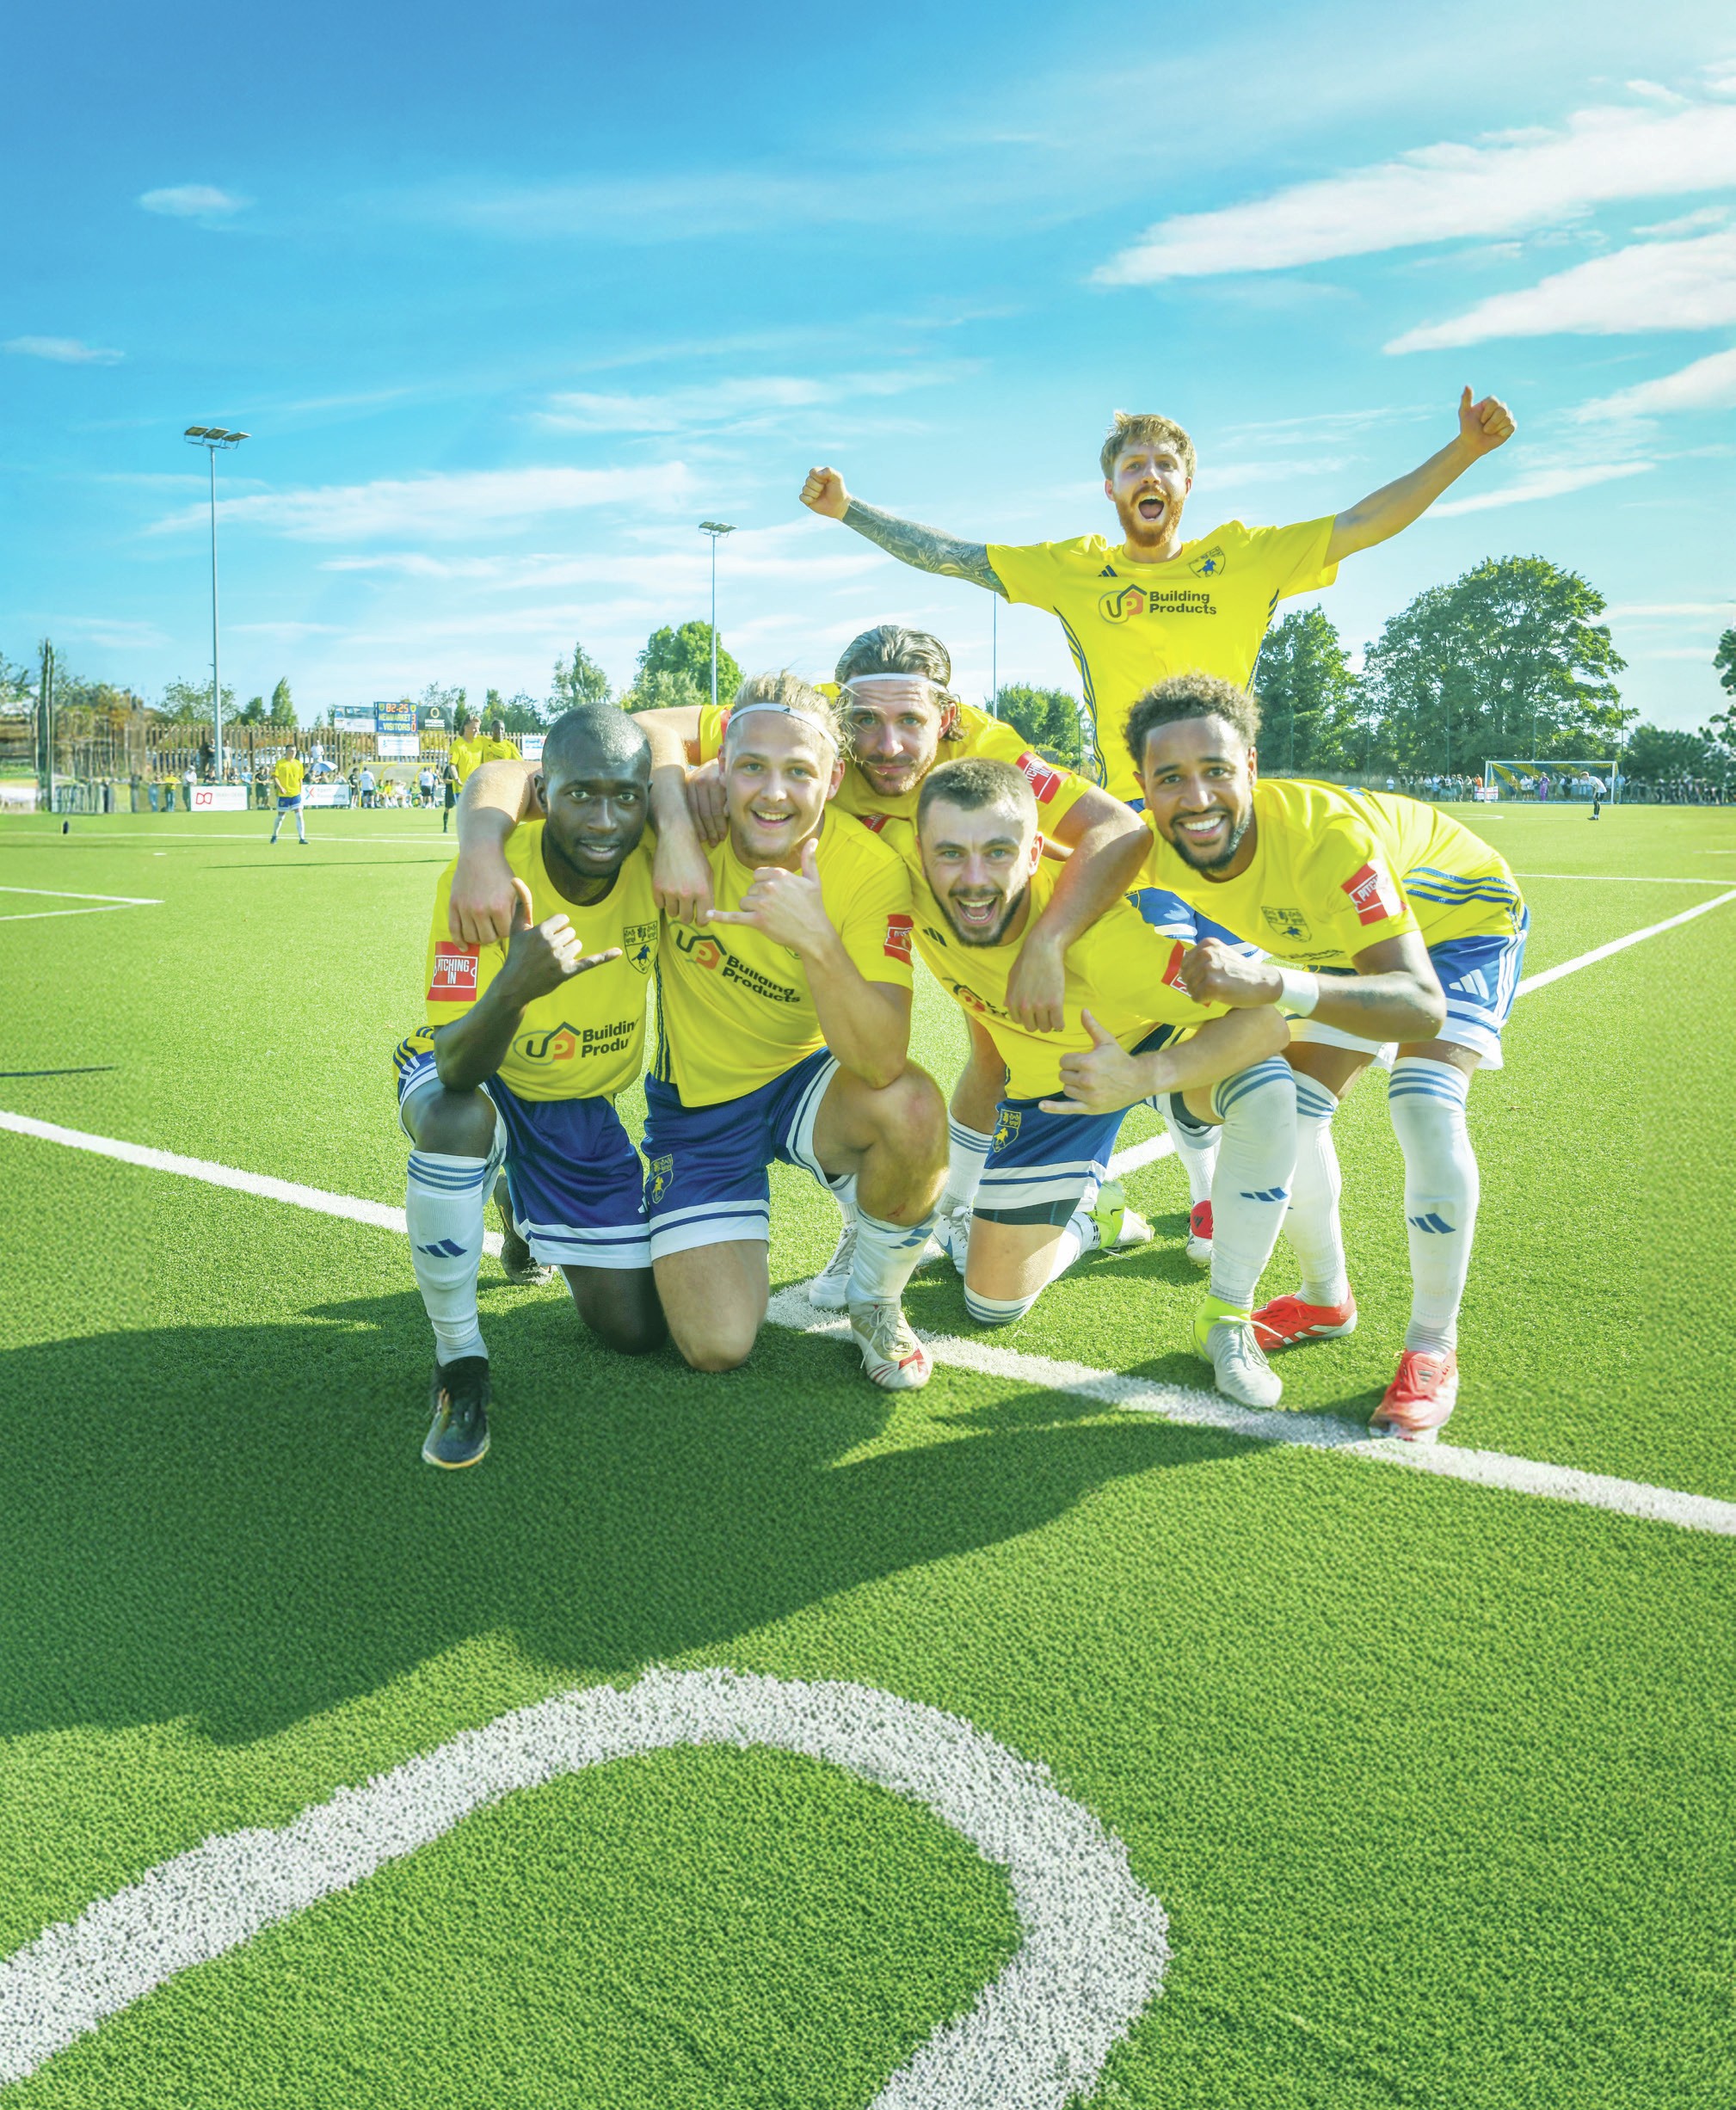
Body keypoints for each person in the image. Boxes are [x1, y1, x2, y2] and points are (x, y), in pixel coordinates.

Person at [561, 623, 1154, 1307]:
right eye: (866, 721)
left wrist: (1049, 943)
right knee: (983, 1055)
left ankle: (1047, 1212)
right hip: (932, 928)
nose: (887, 745)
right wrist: (675, 816)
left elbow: (1120, 827)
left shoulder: (989, 750)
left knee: (992, 1075)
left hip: (1032, 943)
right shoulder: (810, 716)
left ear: (948, 718)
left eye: (910, 722)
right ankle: (914, 1213)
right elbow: (651, 726)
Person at [450, 671, 949, 1387]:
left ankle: (875, 1299)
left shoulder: (869, 870)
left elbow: (878, 1062)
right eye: (752, 768)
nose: (773, 793)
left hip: (803, 1083)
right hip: (697, 1113)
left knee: (913, 1107)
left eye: (798, 772)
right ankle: (528, 1201)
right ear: (721, 767)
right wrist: (482, 851)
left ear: (834, 779)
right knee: (715, 1345)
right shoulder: (677, 820)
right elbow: (509, 773)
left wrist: (816, 941)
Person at [1127, 673, 1528, 1440]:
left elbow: (1418, 1002)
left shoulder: (1324, 836)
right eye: (1170, 777)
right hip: (1336, 941)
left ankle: (1432, 1346)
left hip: (1457, 923)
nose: (1196, 796)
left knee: (1423, 1100)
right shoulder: (1144, 842)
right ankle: (1324, 1298)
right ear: (1142, 785)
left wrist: (1276, 983)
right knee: (1290, 1111)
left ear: (1251, 765)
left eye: (1216, 770)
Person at [799, 387, 1515, 806]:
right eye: (1134, 464)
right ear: (1111, 488)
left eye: (1165, 464)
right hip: (1128, 808)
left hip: (1228, 802)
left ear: (1186, 485)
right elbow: (952, 557)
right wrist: (848, 510)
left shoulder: (1249, 557)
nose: (1150, 474)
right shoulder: (1073, 568)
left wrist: (1465, 451)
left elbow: (1366, 522)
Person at [896, 759, 1299, 1404]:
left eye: (998, 853)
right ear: (918, 854)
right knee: (991, 1304)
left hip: (1153, 1044)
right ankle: (1097, 1221)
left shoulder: (1106, 946)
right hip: (1059, 1087)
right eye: (950, 854)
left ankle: (1230, 1315)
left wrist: (1145, 1076)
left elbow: (1266, 1022)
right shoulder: (905, 884)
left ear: (1035, 854)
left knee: (1267, 1087)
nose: (973, 879)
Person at [394, 705, 667, 1469]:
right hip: (471, 1066)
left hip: (575, 1102)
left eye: (626, 797)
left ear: (649, 801)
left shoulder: (660, 863)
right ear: (544, 794)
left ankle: (517, 1202)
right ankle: (460, 1362)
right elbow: (456, 1064)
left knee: (636, 1330)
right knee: (458, 1120)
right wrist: (515, 987)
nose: (604, 821)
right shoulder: (484, 878)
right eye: (581, 795)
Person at [269, 748, 308, 846]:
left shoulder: (298, 764)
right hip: (284, 794)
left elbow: (300, 778)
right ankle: (274, 835)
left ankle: (302, 838)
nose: (293, 753)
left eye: (294, 751)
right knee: (281, 816)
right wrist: (280, 788)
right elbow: (275, 777)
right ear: (286, 752)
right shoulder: (280, 763)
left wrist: (301, 790)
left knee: (299, 815)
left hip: (296, 793)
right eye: (291, 751)